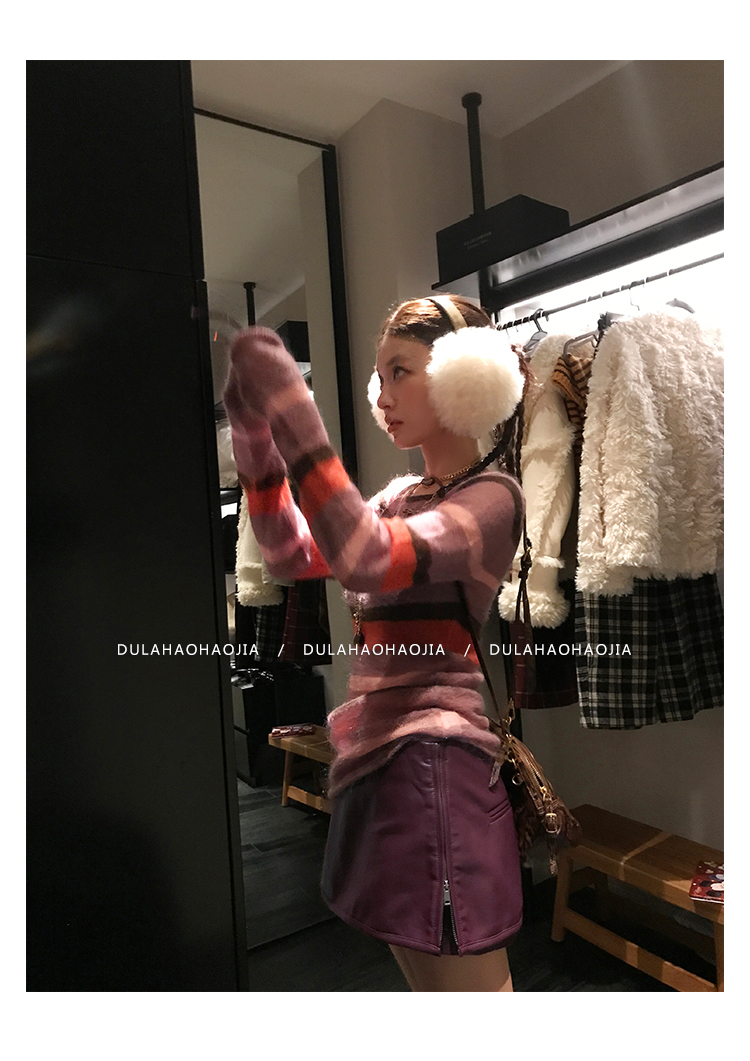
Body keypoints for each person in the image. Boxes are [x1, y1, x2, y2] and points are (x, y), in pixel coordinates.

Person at [223, 294, 529, 991]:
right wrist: (254, 432)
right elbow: (288, 554)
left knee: (476, 999)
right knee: (432, 989)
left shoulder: (494, 497)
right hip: (380, 760)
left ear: (467, 374)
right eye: (380, 375)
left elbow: (365, 557)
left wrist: (290, 404)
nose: (383, 395)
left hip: (435, 763)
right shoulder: (400, 495)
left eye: (401, 371)